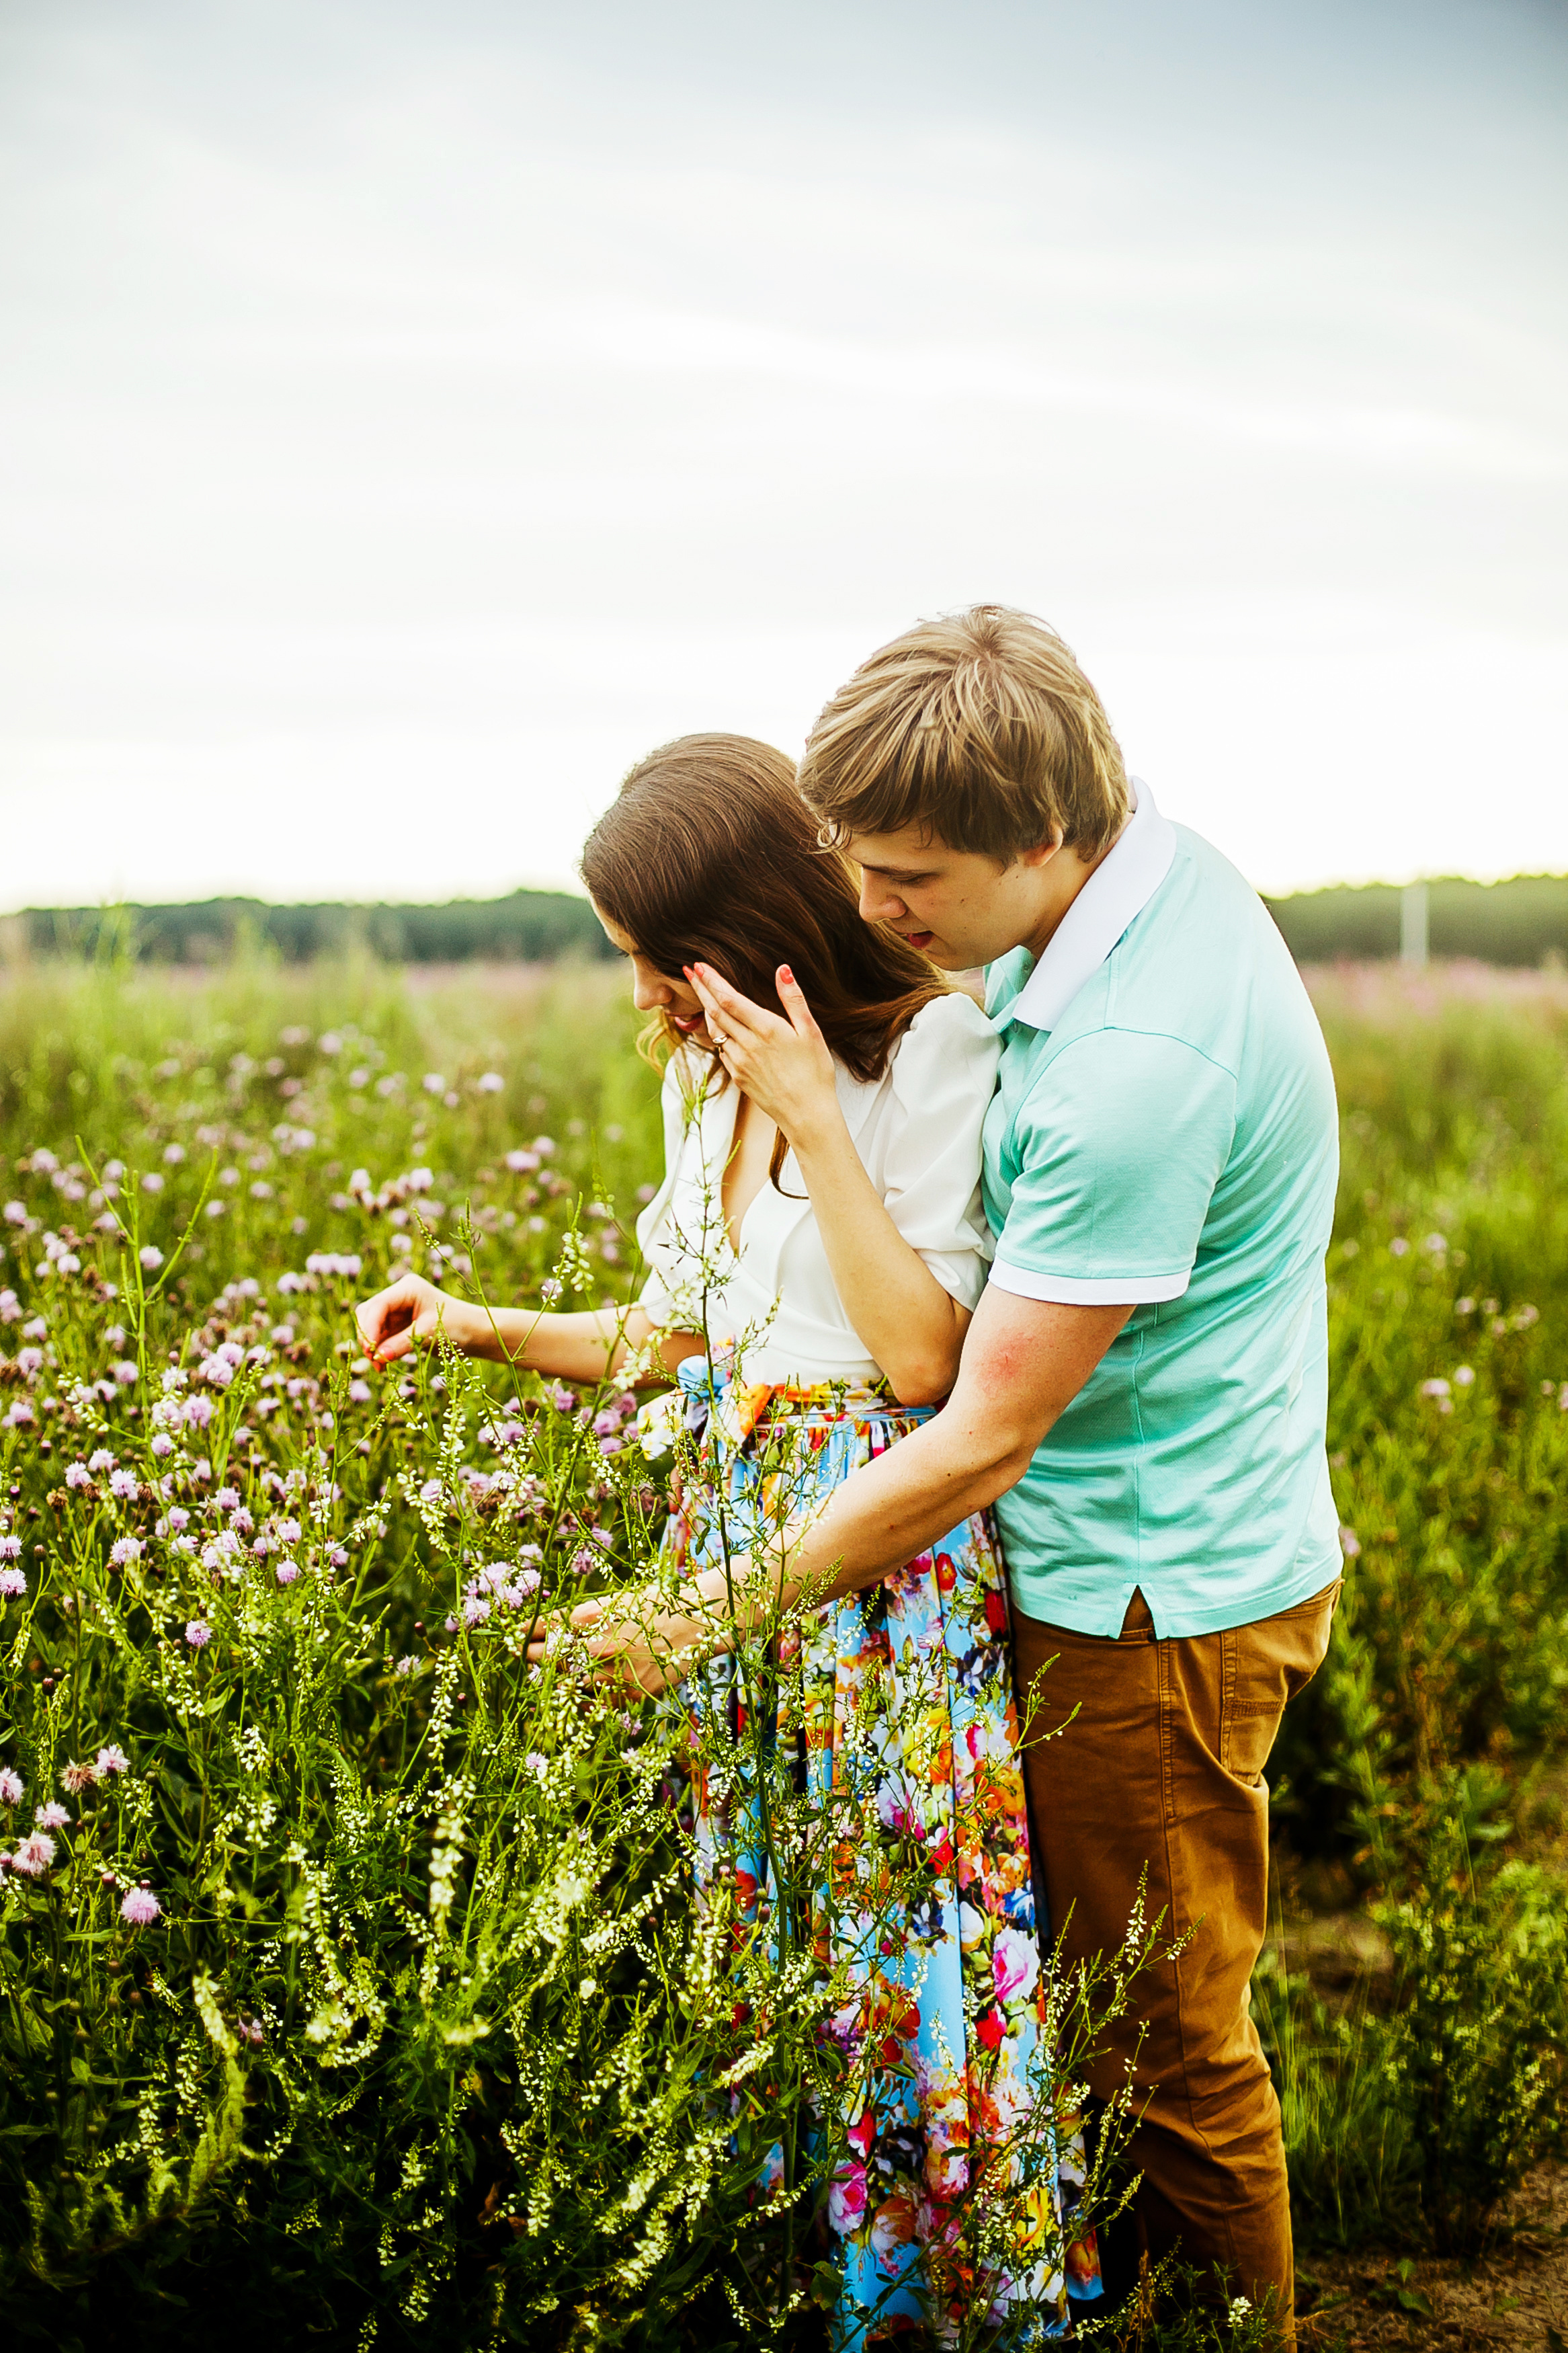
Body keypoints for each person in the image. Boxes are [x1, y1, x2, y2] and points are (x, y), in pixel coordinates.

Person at [565, 617, 1342, 2349]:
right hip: (1113, 1544)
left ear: (1046, 836)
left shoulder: (1135, 1061)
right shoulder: (1122, 897)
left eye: (905, 874)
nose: (866, 902)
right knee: (1072, 2011)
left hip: (1150, 1587)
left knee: (1161, 2044)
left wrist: (703, 1616)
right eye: (849, 858)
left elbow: (969, 1418)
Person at [355, 733, 1102, 2346]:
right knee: (761, 1917)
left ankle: (935, 2303)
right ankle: (800, 2281)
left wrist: (815, 1122)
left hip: (869, 1567)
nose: (640, 999)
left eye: (650, 960)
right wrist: (474, 1321)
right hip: (734, 1547)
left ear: (733, 934)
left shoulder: (929, 1058)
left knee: (890, 1933)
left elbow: (918, 1362)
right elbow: (697, 1333)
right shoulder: (707, 1092)